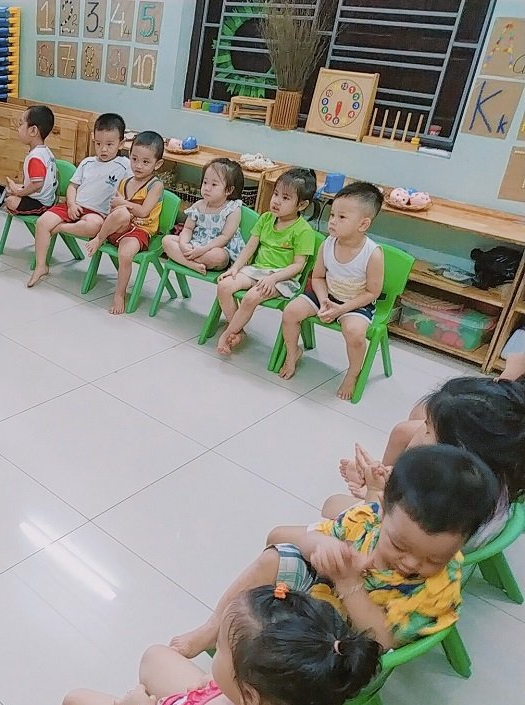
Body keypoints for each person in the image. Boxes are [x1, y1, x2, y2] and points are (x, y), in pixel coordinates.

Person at [171, 445, 500, 657]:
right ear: (383, 508)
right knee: (275, 558)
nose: (412, 562)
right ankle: (212, 628)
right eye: (399, 545)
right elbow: (310, 539)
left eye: (434, 559)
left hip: (344, 645)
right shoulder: (367, 519)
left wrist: (349, 583)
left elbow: (383, 640)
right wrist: (324, 545)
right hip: (322, 595)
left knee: (278, 648)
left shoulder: (439, 587)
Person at [55, 586, 380, 705]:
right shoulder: (305, 703)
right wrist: (213, 690)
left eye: (221, 648)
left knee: (75, 702)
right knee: (155, 656)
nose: (215, 653)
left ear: (249, 695)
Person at [333, 374, 525, 551]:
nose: (421, 433)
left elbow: (379, 539)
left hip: (408, 549)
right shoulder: (488, 472)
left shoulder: (439, 505)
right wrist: (381, 480)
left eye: (428, 430)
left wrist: (374, 493)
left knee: (332, 504)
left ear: (457, 452)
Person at [278, 182, 385, 400]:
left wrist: (341, 309)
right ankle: (292, 353)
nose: (333, 221)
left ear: (363, 224)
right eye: (332, 214)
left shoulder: (373, 253)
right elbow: (317, 277)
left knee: (354, 333)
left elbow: (372, 293)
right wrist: (324, 300)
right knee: (290, 312)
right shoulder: (327, 243)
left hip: (355, 303)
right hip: (326, 295)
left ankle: (353, 372)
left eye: (342, 217)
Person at [215, 168, 317, 355]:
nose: (276, 201)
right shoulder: (266, 218)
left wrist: (273, 278)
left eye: (285, 198)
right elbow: (250, 247)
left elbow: (298, 266)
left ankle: (228, 333)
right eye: (276, 194)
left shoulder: (304, 231)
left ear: (301, 205)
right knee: (224, 286)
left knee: (250, 297)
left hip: (282, 278)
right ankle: (237, 330)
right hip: (256, 270)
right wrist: (235, 268)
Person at [26, 112, 132, 288]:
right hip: (73, 205)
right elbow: (72, 186)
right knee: (42, 222)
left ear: (121, 143)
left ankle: (59, 228)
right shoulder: (87, 162)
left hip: (97, 213)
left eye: (109, 144)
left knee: (95, 226)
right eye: (98, 144)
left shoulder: (125, 165)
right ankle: (41, 266)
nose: (103, 149)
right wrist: (71, 204)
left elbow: (133, 187)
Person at [83, 131, 166, 315]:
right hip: (119, 227)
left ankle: (119, 294)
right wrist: (120, 207)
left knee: (126, 254)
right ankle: (99, 238)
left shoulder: (156, 185)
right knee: (121, 213)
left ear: (157, 164)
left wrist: (123, 203)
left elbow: (144, 211)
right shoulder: (125, 181)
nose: (138, 165)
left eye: (146, 162)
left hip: (141, 230)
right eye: (134, 159)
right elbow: (114, 210)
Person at [162, 158, 246, 274]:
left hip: (218, 248)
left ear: (229, 190)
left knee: (219, 257)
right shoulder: (198, 206)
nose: (207, 188)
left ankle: (185, 259)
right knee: (167, 240)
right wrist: (183, 244)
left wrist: (202, 250)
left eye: (214, 184)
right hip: (196, 243)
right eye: (205, 182)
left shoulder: (232, 209)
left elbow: (224, 237)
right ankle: (193, 265)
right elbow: (188, 228)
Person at [3, 105, 57, 216]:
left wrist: (19, 193)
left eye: (21, 124)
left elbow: (37, 185)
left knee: (10, 201)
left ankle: (15, 208)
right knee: (11, 192)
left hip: (41, 204)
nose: (18, 129)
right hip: (43, 198)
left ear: (33, 130)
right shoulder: (45, 151)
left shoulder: (35, 157)